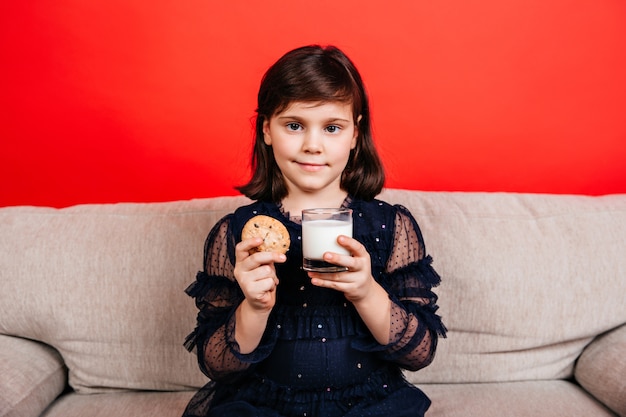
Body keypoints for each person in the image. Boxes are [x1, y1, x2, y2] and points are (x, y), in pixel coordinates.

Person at [182, 44, 446, 417]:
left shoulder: (389, 226)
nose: (312, 145)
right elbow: (218, 366)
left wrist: (366, 292)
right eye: (294, 125)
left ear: (355, 135)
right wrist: (254, 307)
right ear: (267, 131)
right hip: (264, 404)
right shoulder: (238, 232)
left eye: (332, 128)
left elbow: (420, 353)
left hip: (367, 403)